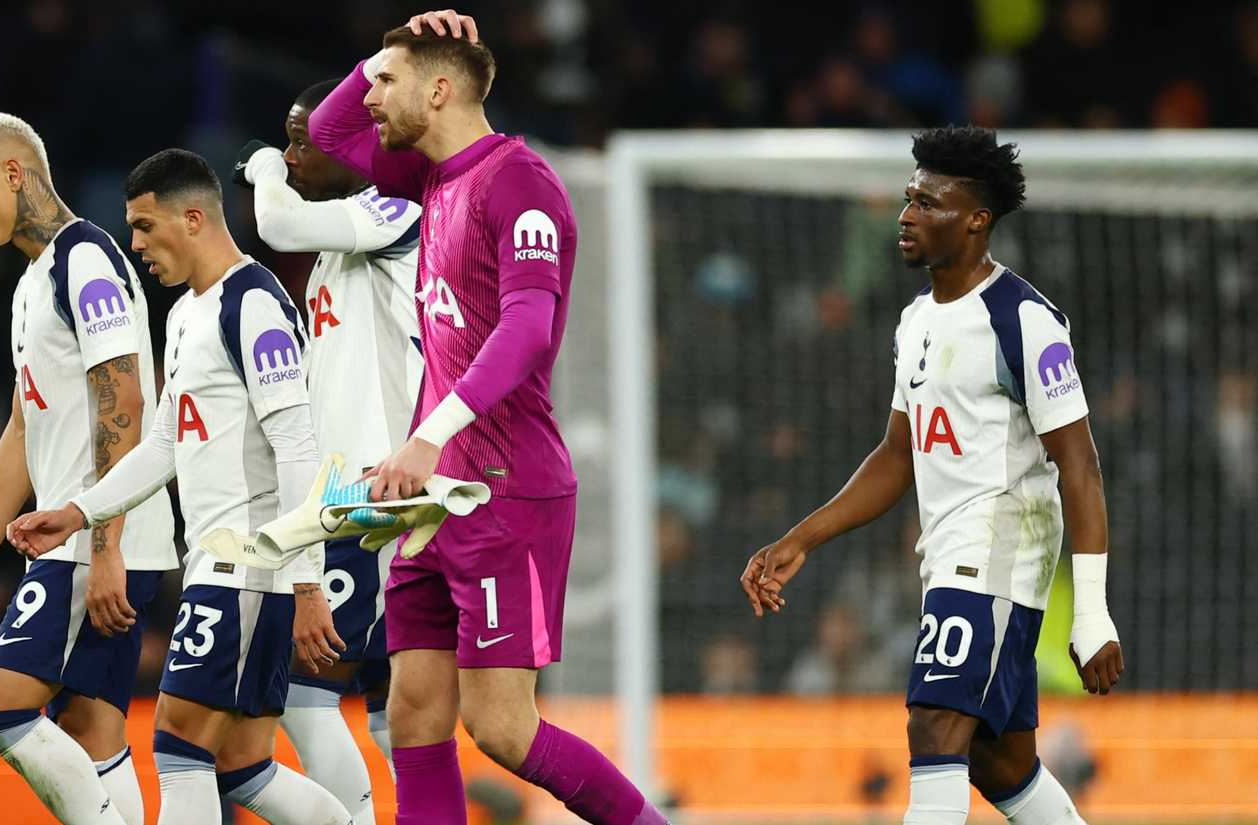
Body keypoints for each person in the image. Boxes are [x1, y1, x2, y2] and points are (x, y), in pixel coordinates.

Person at [308, 11, 668, 824]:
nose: (369, 94)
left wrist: (430, 434)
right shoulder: (429, 177)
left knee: (502, 727)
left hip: (505, 492)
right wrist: (387, 43)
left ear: (438, 91)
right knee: (413, 714)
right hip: (433, 498)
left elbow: (529, 329)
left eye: (388, 81)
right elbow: (327, 137)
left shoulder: (521, 182)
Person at [740, 126, 1125, 825]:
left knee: (933, 725)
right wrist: (803, 537)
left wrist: (1093, 610)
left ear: (977, 219)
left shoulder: (1025, 321)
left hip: (997, 555)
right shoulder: (916, 319)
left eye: (927, 201)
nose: (906, 214)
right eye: (908, 197)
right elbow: (896, 454)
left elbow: (1082, 464)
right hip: (947, 555)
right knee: (996, 760)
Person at [7, 149, 353, 825]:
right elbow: (163, 443)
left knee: (178, 747)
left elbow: (297, 443)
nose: (134, 246)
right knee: (244, 767)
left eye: (143, 226)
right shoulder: (188, 315)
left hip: (248, 567)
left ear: (192, 218)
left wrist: (308, 580)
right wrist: (80, 511)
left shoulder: (252, 304)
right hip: (225, 569)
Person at [0, 112, 176, 825]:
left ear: (13, 174)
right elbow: (22, 428)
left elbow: (125, 400)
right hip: (84, 538)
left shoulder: (86, 261)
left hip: (94, 539)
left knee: (1, 708)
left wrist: (105, 546)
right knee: (91, 727)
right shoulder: (31, 284)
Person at [233, 76, 423, 822]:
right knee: (390, 711)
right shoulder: (348, 243)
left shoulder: (395, 209)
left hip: (369, 495)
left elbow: (276, 224)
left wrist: (261, 170)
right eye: (285, 142)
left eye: (303, 140)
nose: (291, 154)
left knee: (302, 695)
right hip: (358, 494)